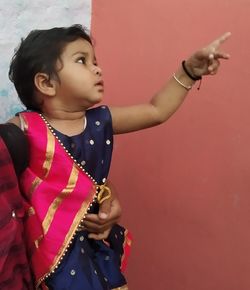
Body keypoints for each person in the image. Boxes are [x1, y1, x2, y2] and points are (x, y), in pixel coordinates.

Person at [7, 24, 230, 290]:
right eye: (82, 60)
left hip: (94, 246)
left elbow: (156, 110)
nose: (97, 69)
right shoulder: (24, 128)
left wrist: (189, 71)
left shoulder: (101, 121)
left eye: (95, 61)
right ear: (46, 83)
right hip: (49, 255)